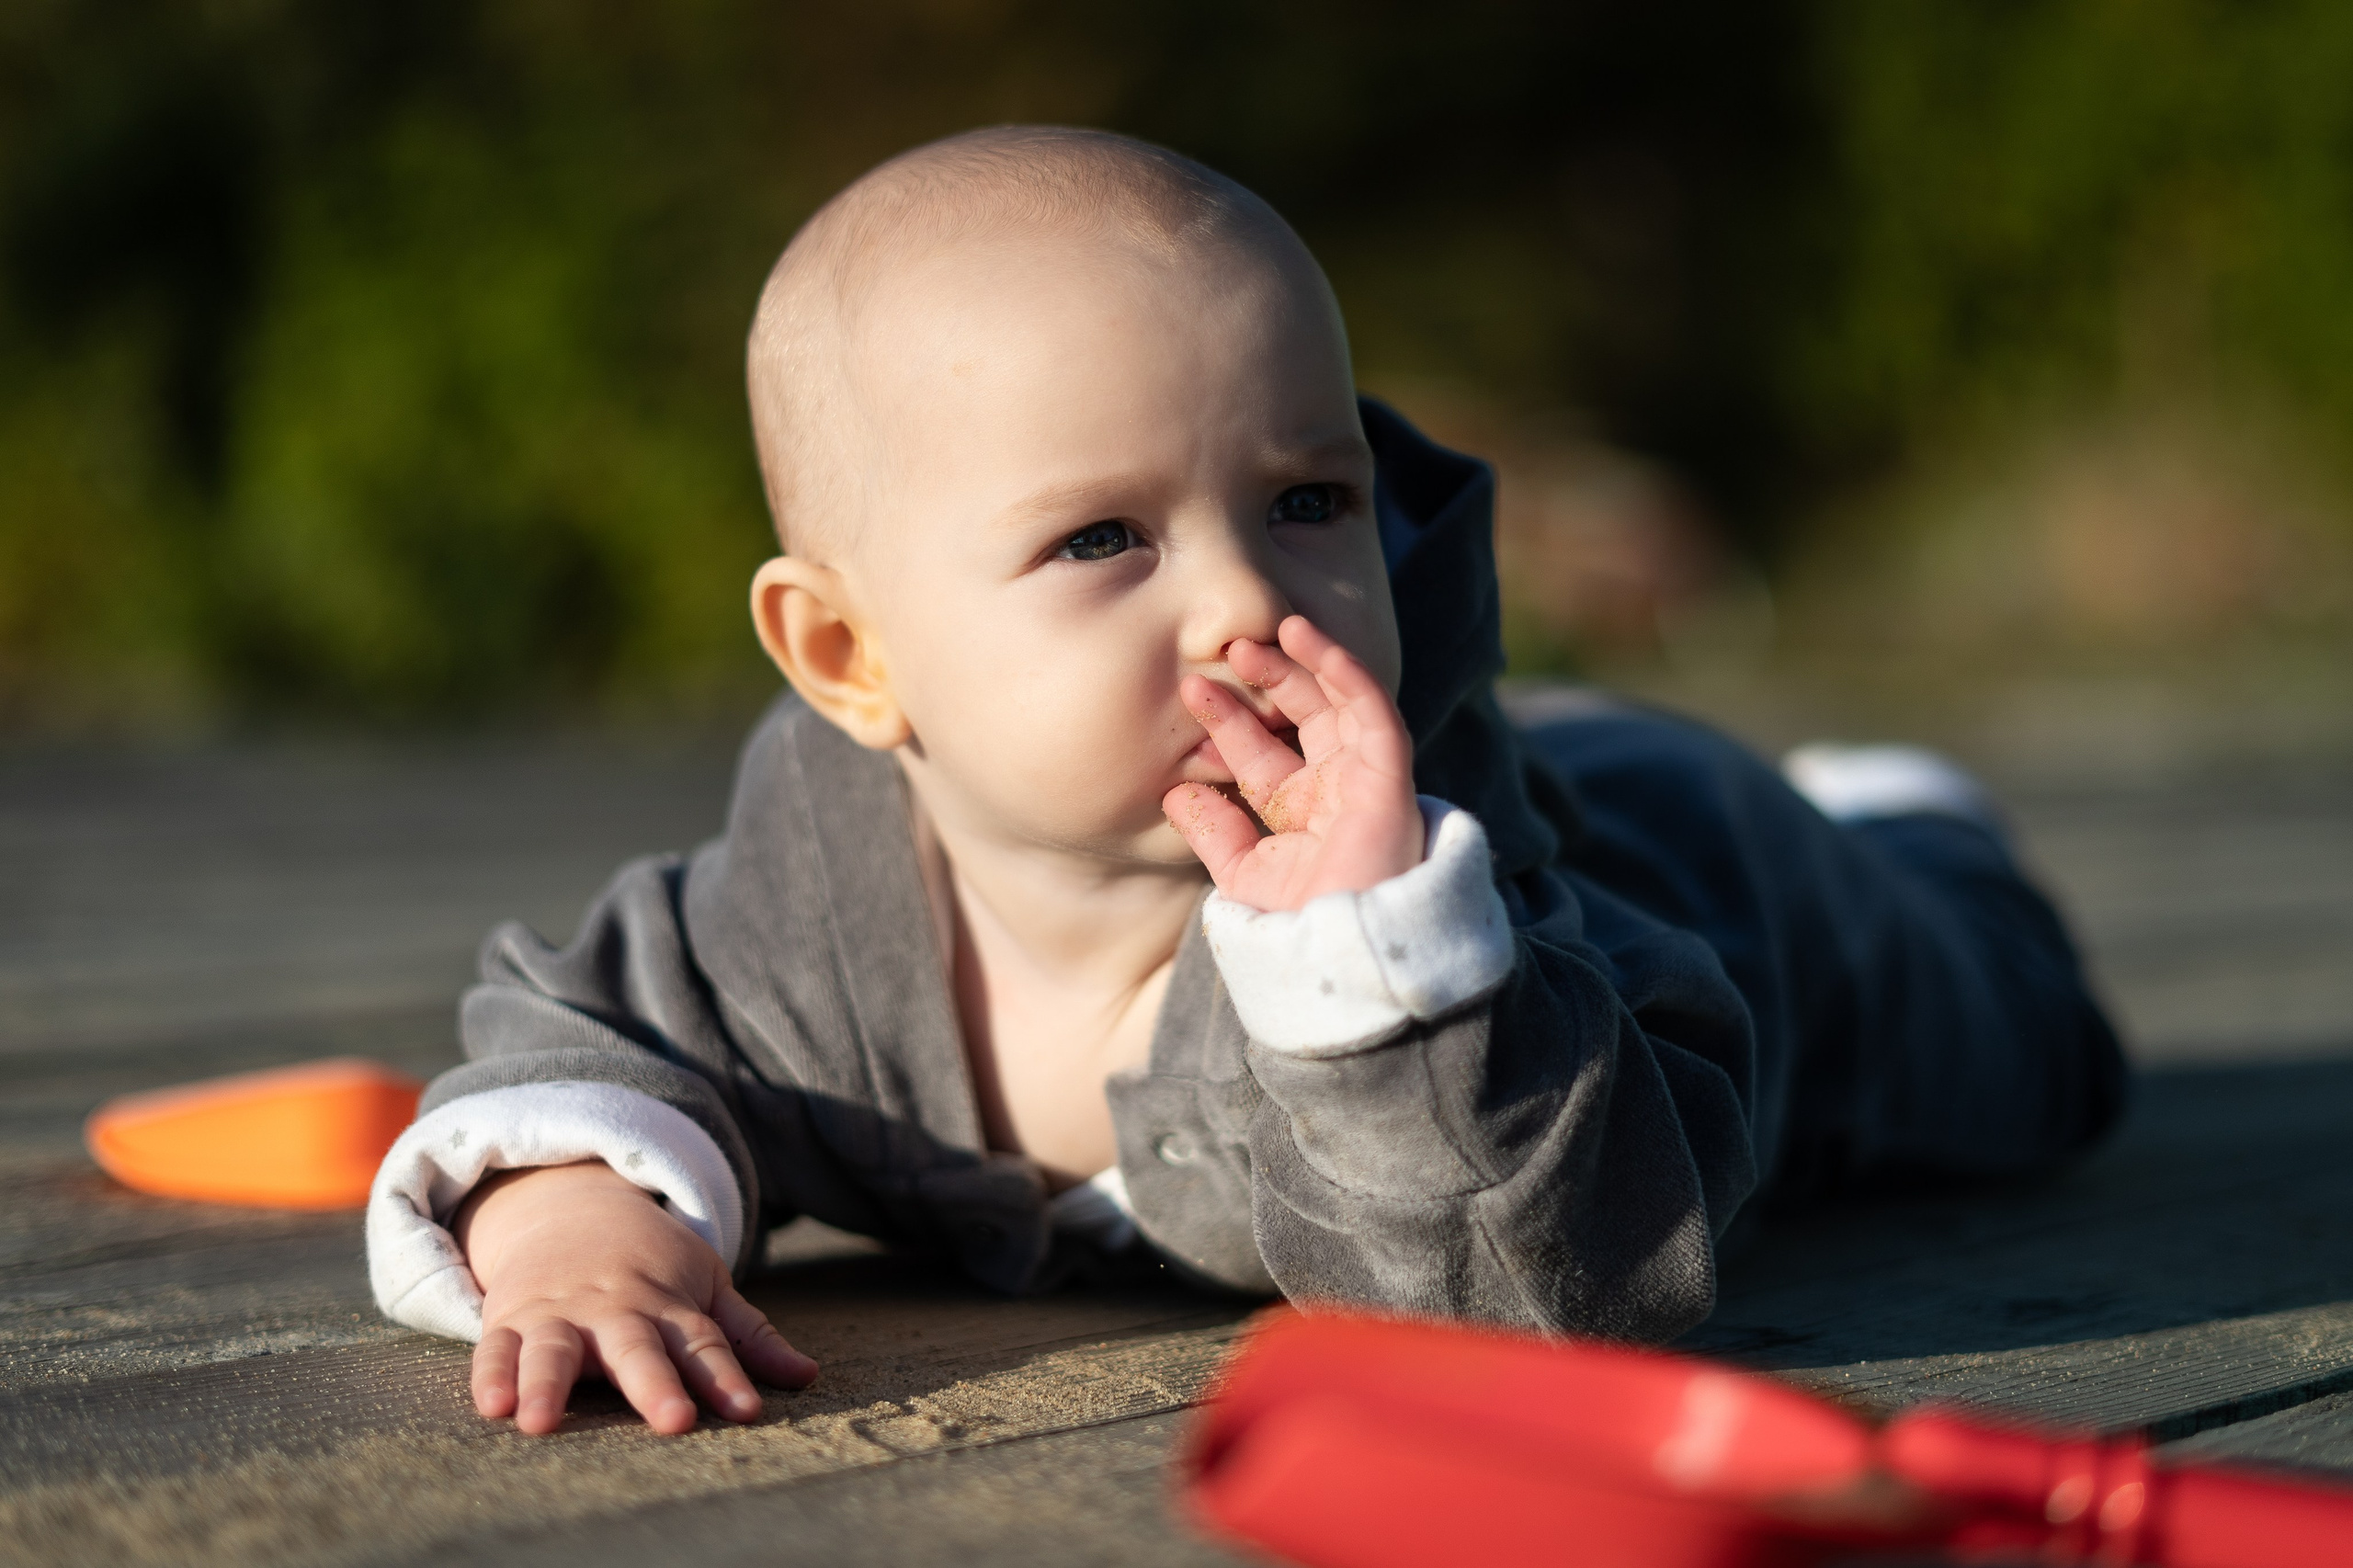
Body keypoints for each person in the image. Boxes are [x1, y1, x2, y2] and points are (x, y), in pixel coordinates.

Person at [365, 126, 2127, 1438]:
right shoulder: (791, 927)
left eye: (1307, 499)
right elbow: (578, 1033)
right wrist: (580, 1227)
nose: (1247, 600)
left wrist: (1376, 964)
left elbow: (1548, 1307)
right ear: (849, 657)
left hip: (1737, 884)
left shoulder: (1432, 913)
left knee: (2020, 1053)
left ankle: (1911, 831)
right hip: (1578, 770)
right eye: (1102, 537)